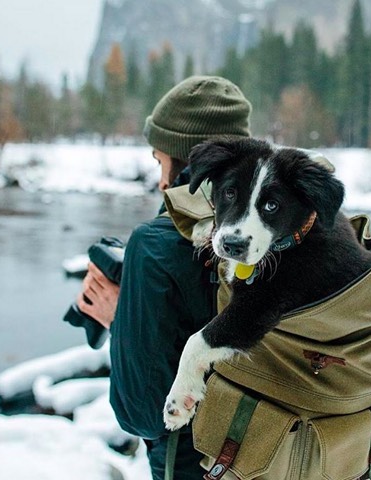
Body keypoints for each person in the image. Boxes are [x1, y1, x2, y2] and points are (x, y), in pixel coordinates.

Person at [77, 75, 252, 479]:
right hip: (282, 452)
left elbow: (144, 414)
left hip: (200, 462)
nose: (159, 179)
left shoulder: (156, 244)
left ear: (184, 161)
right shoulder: (275, 223)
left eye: (160, 160)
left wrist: (119, 320)